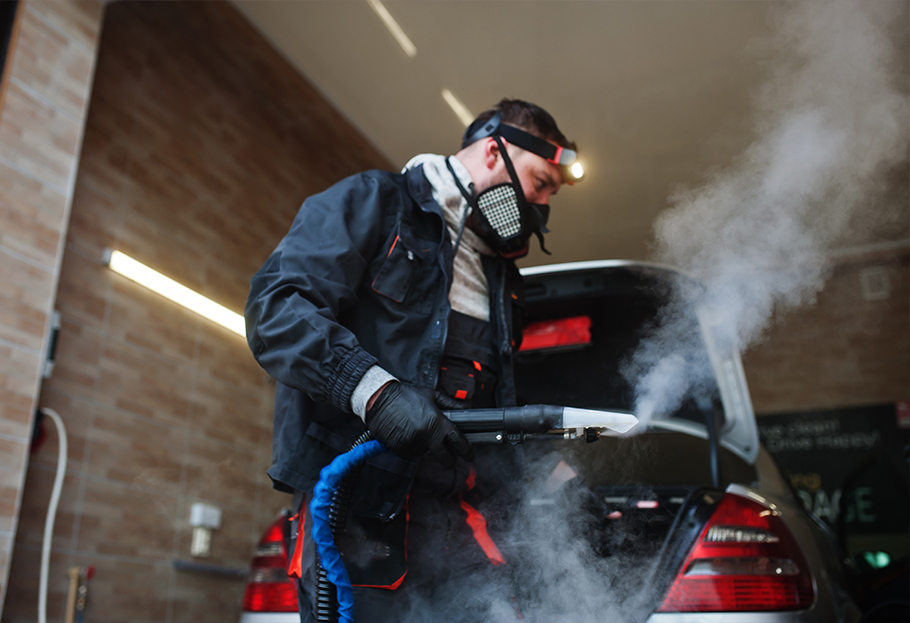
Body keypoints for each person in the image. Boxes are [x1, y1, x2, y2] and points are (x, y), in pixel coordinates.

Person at [245, 98, 580, 622]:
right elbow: (277, 310)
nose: (540, 206)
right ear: (495, 152)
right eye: (539, 183)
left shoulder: (501, 284)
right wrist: (376, 392)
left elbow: (499, 406)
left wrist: (566, 487)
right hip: (360, 516)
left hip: (459, 522)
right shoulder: (376, 203)